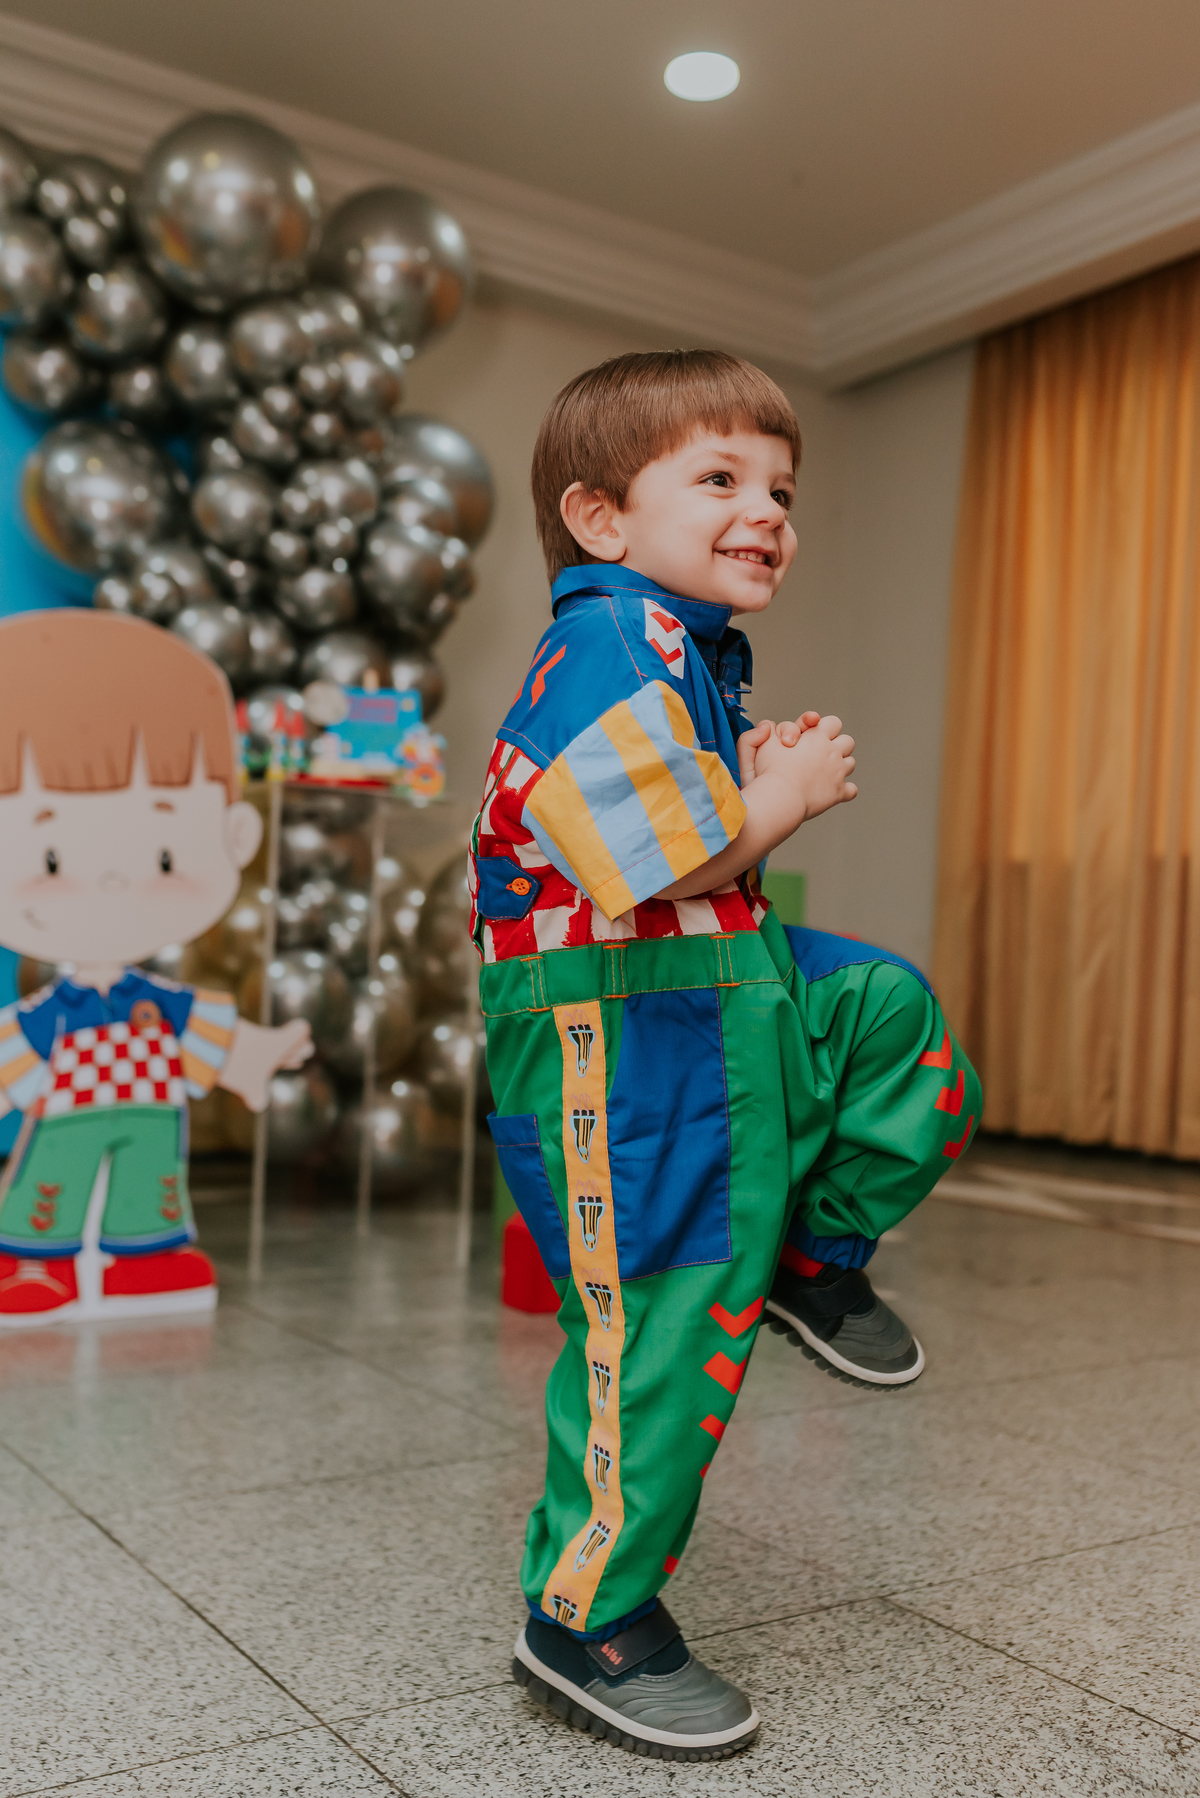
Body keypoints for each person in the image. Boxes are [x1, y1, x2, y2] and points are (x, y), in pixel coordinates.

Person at [471, 349, 982, 1760]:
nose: (767, 508)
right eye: (719, 477)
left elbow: (681, 821)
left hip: (718, 984)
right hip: (616, 1025)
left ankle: (813, 1254)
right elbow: (643, 856)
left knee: (891, 1017)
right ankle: (585, 1615)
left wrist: (746, 763)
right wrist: (781, 800)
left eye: (780, 486)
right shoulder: (599, 646)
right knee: (658, 1318)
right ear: (600, 518)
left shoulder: (681, 650)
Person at [0, 610, 312, 1325]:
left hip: (149, 1112)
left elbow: (215, 1038)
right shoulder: (57, 1012)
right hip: (70, 1114)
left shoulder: (159, 1001)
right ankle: (39, 1262)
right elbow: (14, 1052)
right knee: (53, 1179)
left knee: (150, 1183)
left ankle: (144, 1261)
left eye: (165, 854)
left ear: (236, 835)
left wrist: (261, 1053)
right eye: (52, 858)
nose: (111, 882)